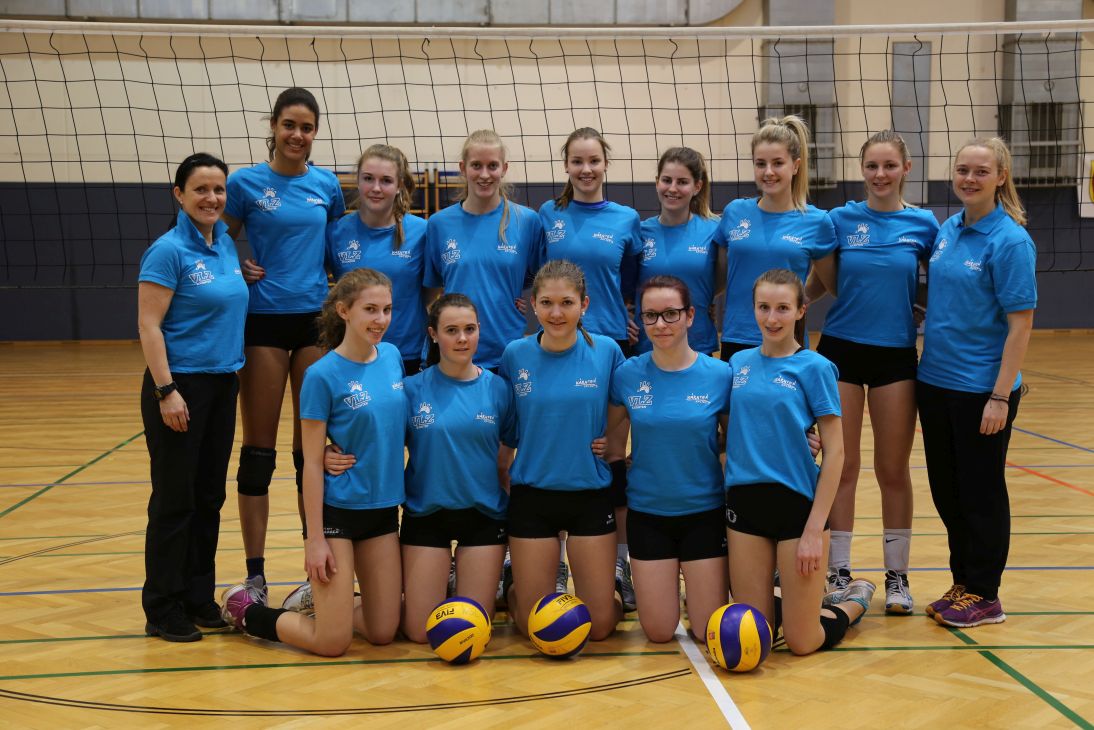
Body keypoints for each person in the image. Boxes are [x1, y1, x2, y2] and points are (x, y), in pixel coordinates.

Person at [220, 269, 404, 656]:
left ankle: (324, 605)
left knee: (383, 631)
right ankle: (247, 611)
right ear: (343, 311)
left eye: (387, 309)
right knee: (332, 642)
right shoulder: (321, 375)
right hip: (339, 514)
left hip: (383, 512)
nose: (381, 319)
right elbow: (311, 462)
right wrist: (314, 540)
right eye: (370, 309)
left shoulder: (392, 356)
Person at [223, 87, 345, 598]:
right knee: (258, 450)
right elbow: (210, 235)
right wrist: (236, 265)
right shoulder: (244, 183)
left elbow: (340, 249)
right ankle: (255, 573)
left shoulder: (327, 185)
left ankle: (314, 566)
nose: (297, 135)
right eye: (289, 125)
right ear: (273, 126)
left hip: (315, 322)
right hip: (264, 322)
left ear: (315, 133)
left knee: (308, 452)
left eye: (307, 127)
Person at [812, 130, 940, 614]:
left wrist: (924, 306)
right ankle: (839, 571)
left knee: (892, 469)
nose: (880, 175)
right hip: (841, 351)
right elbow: (818, 283)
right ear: (861, 169)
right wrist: (783, 306)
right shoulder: (840, 220)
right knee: (841, 465)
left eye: (889, 166)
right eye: (872, 166)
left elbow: (945, 278)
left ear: (906, 168)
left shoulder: (924, 224)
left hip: (895, 356)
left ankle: (897, 577)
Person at [917, 137, 1036, 628]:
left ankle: (986, 593)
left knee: (981, 493)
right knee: (947, 491)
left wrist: (1000, 396)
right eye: (963, 170)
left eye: (981, 171)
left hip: (981, 390)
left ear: (1000, 177)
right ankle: (963, 582)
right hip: (935, 383)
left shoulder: (1009, 241)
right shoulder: (948, 229)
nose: (969, 178)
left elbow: (1021, 324)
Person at [724, 269, 875, 656]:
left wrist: (812, 531)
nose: (772, 318)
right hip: (745, 507)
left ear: (800, 310)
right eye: (763, 307)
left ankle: (852, 602)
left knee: (801, 641)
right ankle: (790, 597)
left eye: (782, 308)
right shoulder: (737, 364)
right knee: (756, 633)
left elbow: (836, 452)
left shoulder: (815, 367)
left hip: (798, 509)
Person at [138, 153, 248, 642]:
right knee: (174, 500)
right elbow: (149, 325)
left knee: (208, 497)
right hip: (179, 387)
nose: (212, 198)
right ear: (179, 194)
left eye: (219, 189)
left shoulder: (223, 243)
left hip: (223, 384)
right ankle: (162, 606)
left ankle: (197, 596)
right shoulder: (166, 251)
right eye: (201, 189)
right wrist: (167, 391)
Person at [538, 127, 642, 607]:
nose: (586, 169)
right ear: (566, 166)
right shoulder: (548, 215)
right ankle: (557, 564)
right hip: (558, 344)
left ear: (605, 165)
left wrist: (630, 315)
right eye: (577, 161)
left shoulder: (626, 219)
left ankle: (619, 563)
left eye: (593, 161)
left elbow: (631, 280)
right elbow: (535, 276)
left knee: (611, 454)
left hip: (610, 346)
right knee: (562, 452)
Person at [499, 259, 624, 643]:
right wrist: (502, 475)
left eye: (567, 303)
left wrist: (612, 442)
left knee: (599, 627)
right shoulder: (515, 354)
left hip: (589, 494)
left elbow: (623, 407)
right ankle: (513, 581)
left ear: (584, 305)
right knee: (532, 626)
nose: (556, 313)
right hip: (532, 495)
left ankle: (618, 586)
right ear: (533, 305)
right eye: (547, 303)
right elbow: (508, 429)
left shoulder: (606, 352)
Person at [608, 276, 729, 642]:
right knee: (659, 631)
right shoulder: (627, 375)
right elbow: (610, 441)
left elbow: (740, 440)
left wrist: (802, 439)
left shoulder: (719, 375)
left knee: (708, 630)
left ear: (690, 316)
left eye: (670, 314)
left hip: (704, 514)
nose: (660, 324)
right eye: (650, 315)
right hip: (649, 516)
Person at [715, 115, 837, 360]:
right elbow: (720, 278)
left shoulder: (817, 221)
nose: (768, 172)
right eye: (760, 164)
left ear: (795, 165)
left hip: (789, 341)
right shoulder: (734, 212)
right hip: (737, 338)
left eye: (778, 163)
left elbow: (830, 283)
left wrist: (796, 299)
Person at [423, 129, 543, 371]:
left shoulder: (527, 221)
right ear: (463, 168)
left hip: (507, 351)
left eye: (493, 166)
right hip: (454, 353)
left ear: (504, 168)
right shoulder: (439, 224)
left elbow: (544, 281)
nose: (485, 174)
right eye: (476, 165)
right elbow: (430, 293)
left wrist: (522, 300)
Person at [327, 144, 428, 375]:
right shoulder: (336, 232)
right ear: (358, 181)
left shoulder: (422, 232)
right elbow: (310, 274)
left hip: (407, 352)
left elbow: (431, 291)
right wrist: (251, 272)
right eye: (368, 178)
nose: (375, 188)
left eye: (386, 181)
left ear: (399, 185)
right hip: (351, 352)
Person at [635, 148, 723, 357]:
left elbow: (721, 280)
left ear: (697, 186)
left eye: (682, 182)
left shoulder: (714, 229)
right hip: (648, 347)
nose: (672, 188)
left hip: (697, 344)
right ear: (657, 182)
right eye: (666, 180)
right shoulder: (639, 232)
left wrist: (702, 299)